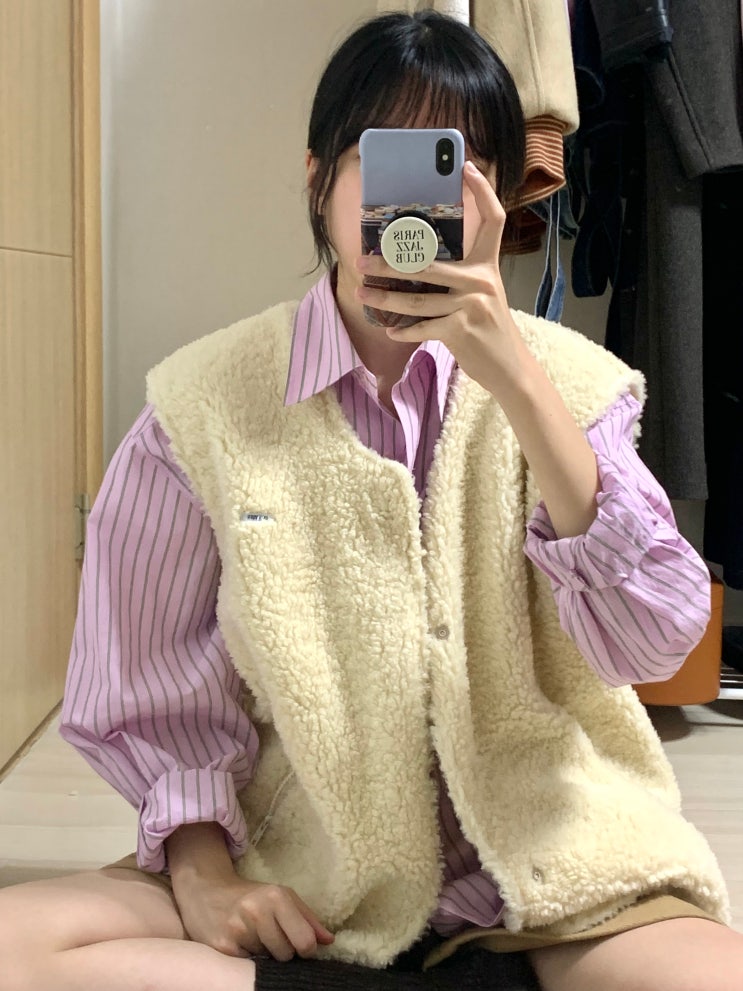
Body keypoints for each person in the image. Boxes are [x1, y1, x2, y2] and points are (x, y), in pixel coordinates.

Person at [2, 10, 742, 991]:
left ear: (497, 198)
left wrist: (517, 380)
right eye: (386, 157)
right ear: (319, 180)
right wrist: (205, 877)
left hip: (553, 872)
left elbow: (652, 642)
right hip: (307, 872)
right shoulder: (203, 403)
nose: (418, 202)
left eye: (457, 163)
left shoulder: (570, 385)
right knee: (14, 944)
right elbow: (146, 693)